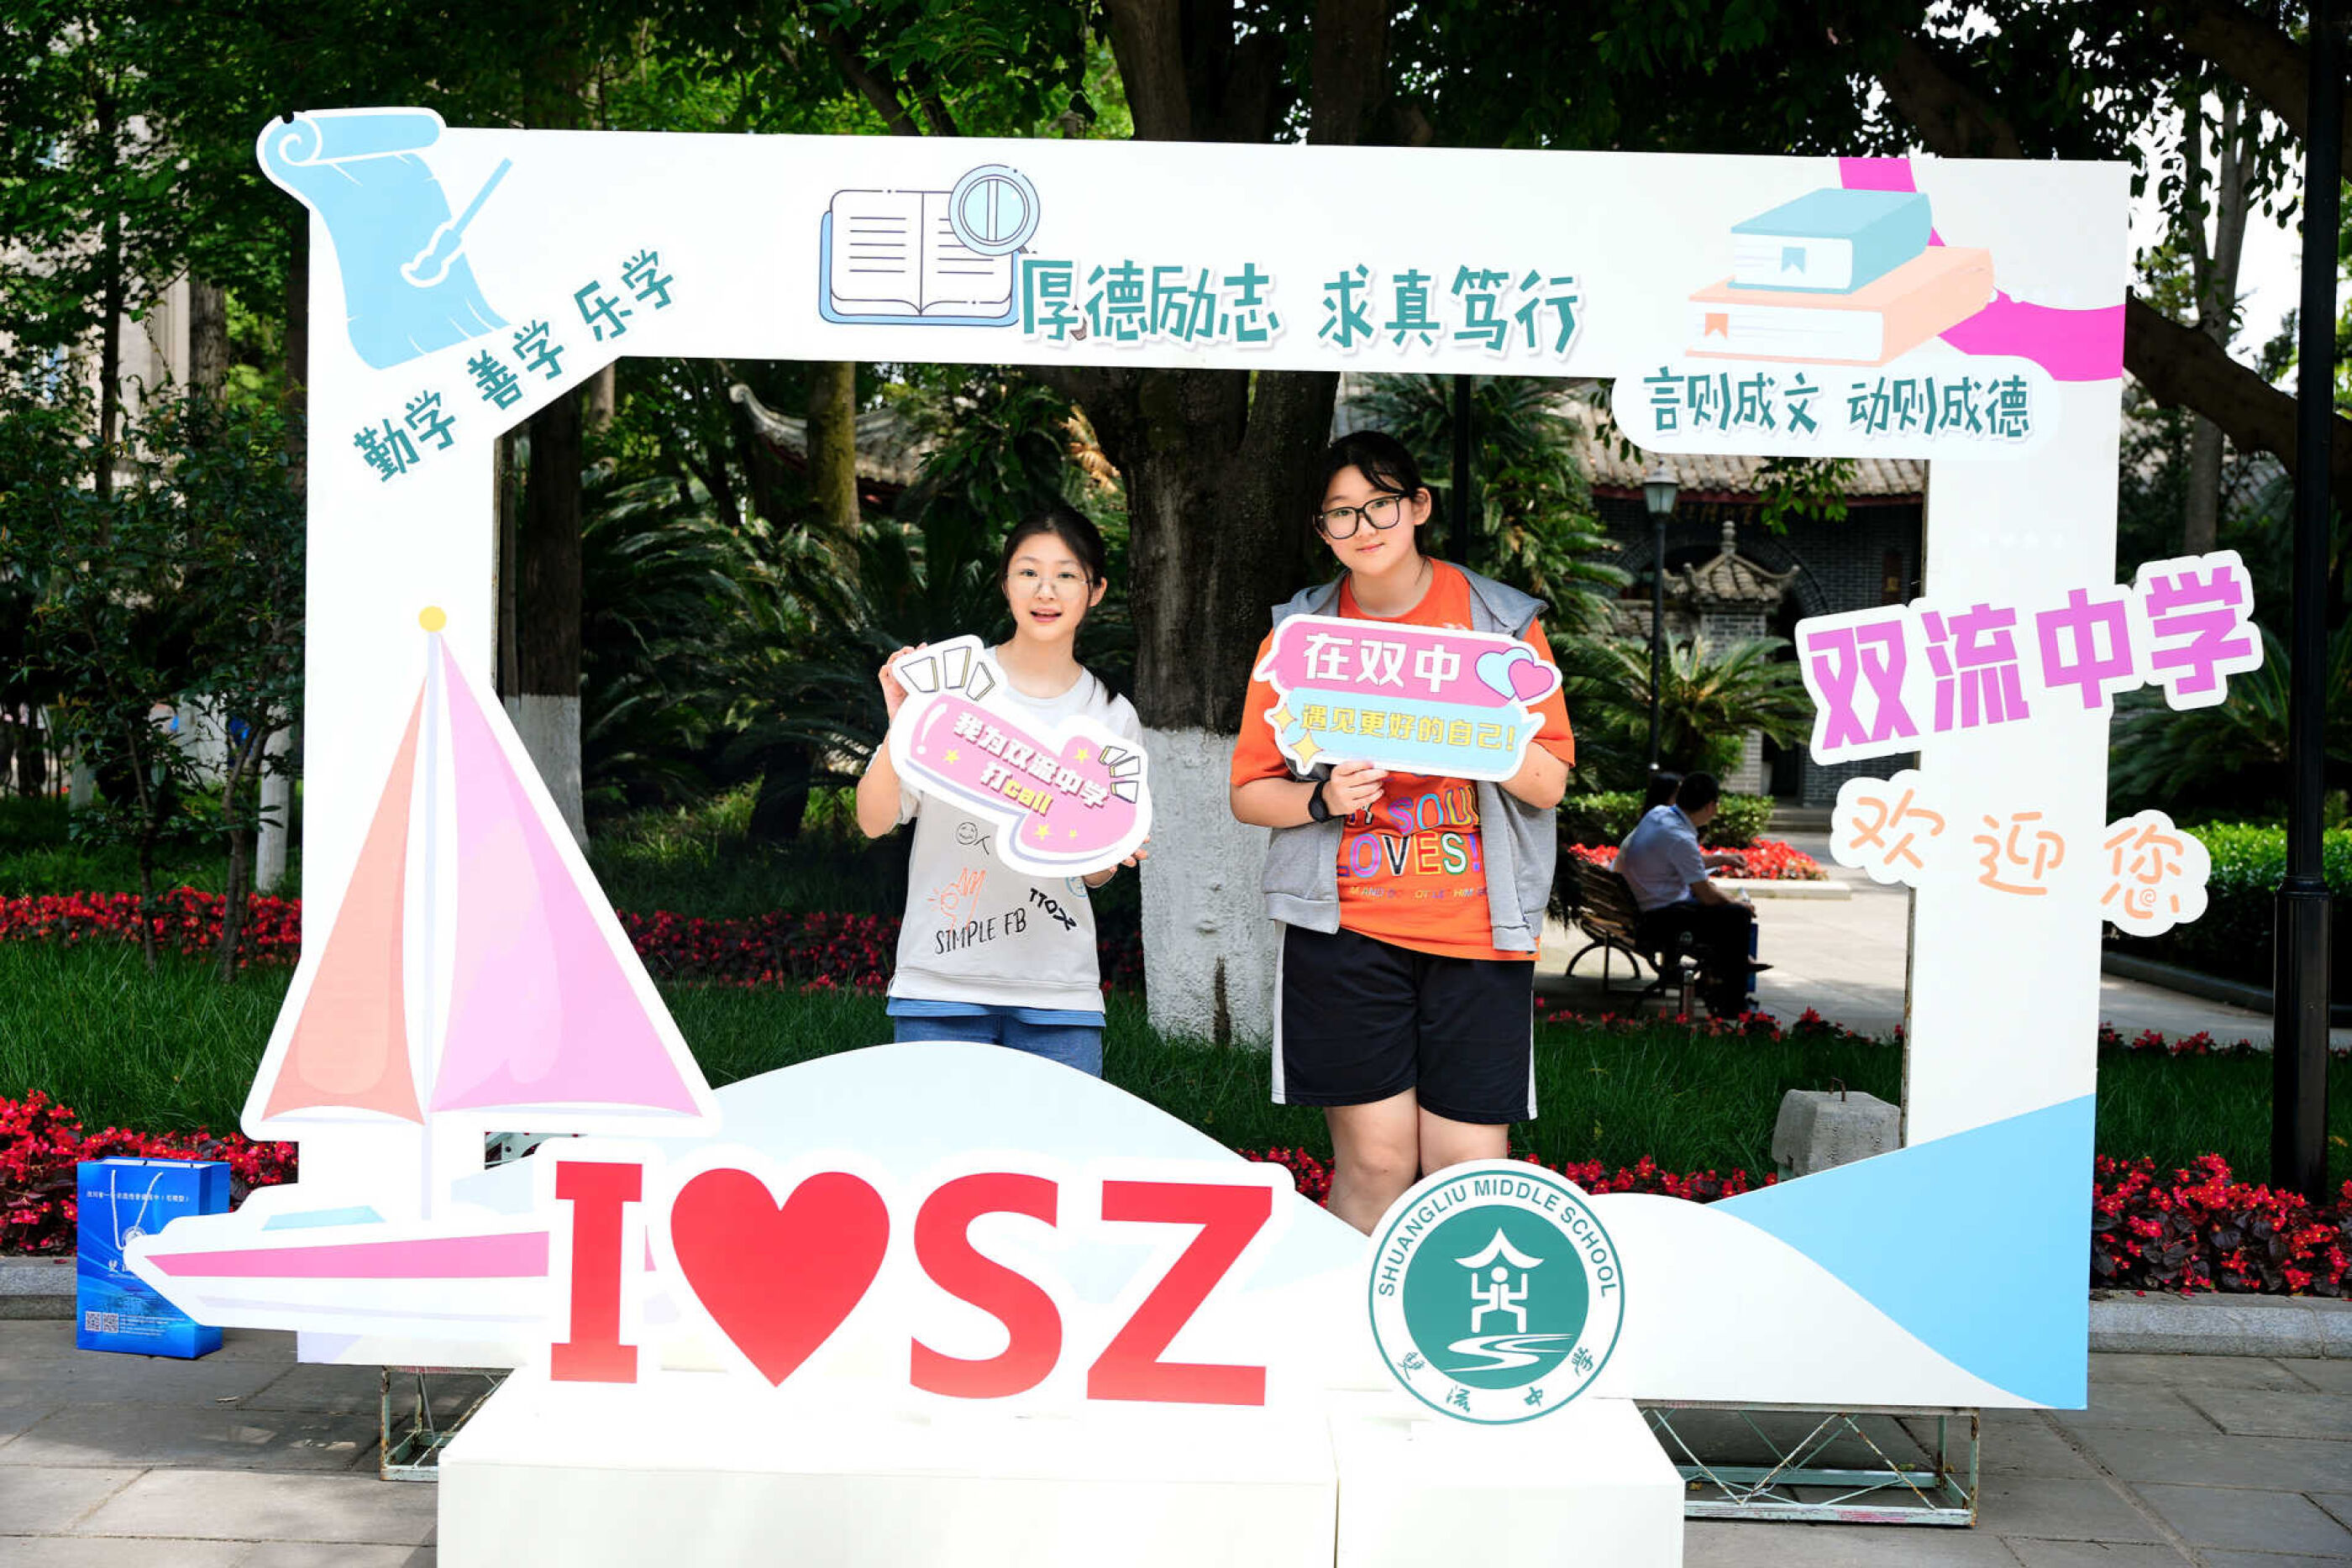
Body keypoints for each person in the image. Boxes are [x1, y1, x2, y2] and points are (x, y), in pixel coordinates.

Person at [1229, 431, 1575, 1235]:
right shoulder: (1300, 639)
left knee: (1468, 1171)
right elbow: (1249, 792)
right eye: (1340, 513)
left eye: (1380, 504)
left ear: (1418, 506)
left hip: (1479, 932)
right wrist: (1322, 800)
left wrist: (1476, 726)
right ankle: (1338, 1312)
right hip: (1346, 930)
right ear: (1322, 530)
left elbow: (1549, 782)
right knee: (1377, 1164)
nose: (1363, 527)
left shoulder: (1499, 626)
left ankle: (1458, 1320)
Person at [855, 501, 1143, 1077]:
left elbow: (1096, 875)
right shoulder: (951, 683)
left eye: (1066, 574)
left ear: (1096, 590)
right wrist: (901, 726)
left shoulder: (1111, 716)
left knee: (1059, 1140)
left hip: (1059, 994)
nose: (1046, 590)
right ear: (1005, 583)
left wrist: (1107, 850)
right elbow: (873, 819)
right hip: (940, 985)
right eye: (1028, 571)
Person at [1616, 770, 1758, 1015]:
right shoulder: (1681, 837)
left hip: (1643, 905)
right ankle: (1732, 1002)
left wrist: (1721, 859)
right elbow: (1706, 895)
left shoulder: (1659, 814)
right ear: (1711, 806)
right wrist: (1738, 903)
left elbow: (1683, 861)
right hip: (1658, 919)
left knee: (1727, 911)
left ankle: (1724, 971)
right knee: (1737, 916)